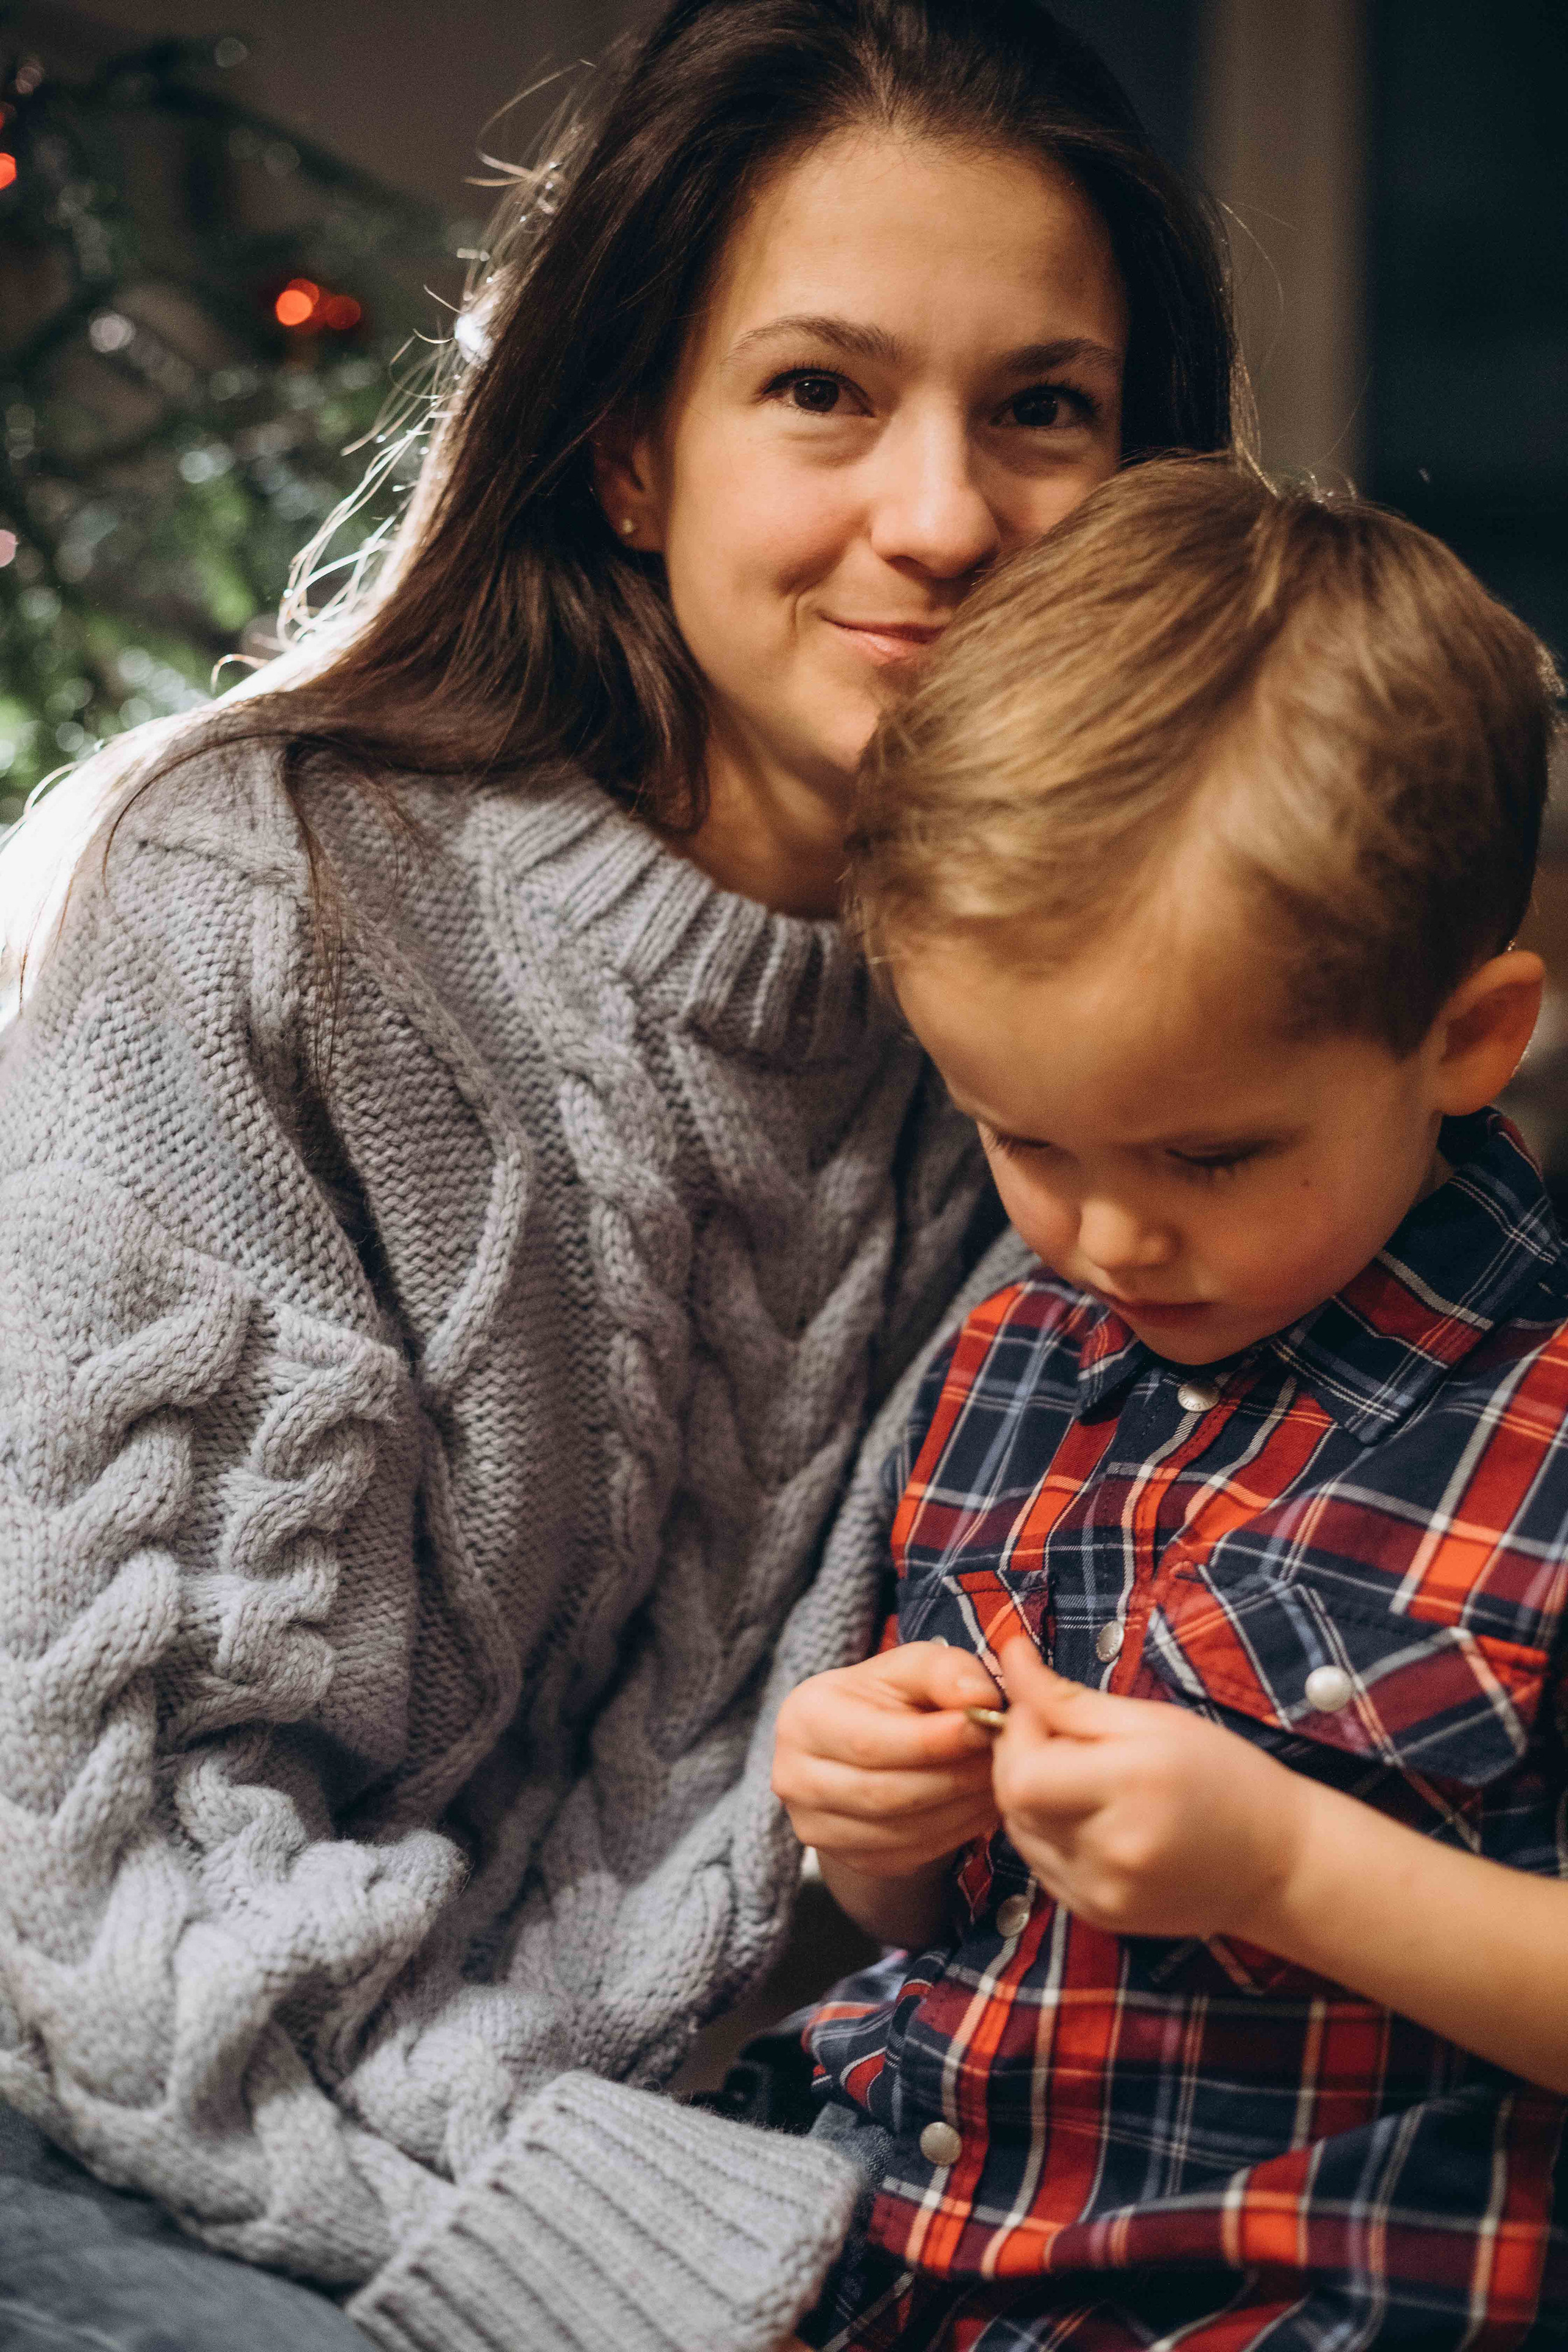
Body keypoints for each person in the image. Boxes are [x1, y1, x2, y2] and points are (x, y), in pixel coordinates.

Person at [0, 6, 1243, 2351]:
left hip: (762, 2200)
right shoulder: (274, 909)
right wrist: (682, 2258)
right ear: (631, 452)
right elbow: (120, 1898)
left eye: (1044, 409)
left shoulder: (1129, 1045)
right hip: (147, 2133)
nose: (947, 515)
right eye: (823, 391)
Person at [773, 456, 1568, 2350]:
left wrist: (1292, 1866)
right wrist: (875, 1827)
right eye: (1023, 1137)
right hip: (899, 2267)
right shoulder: (1005, 1366)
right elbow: (939, 1933)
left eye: (1212, 1152)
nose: (1112, 1233)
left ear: (1466, 1039)